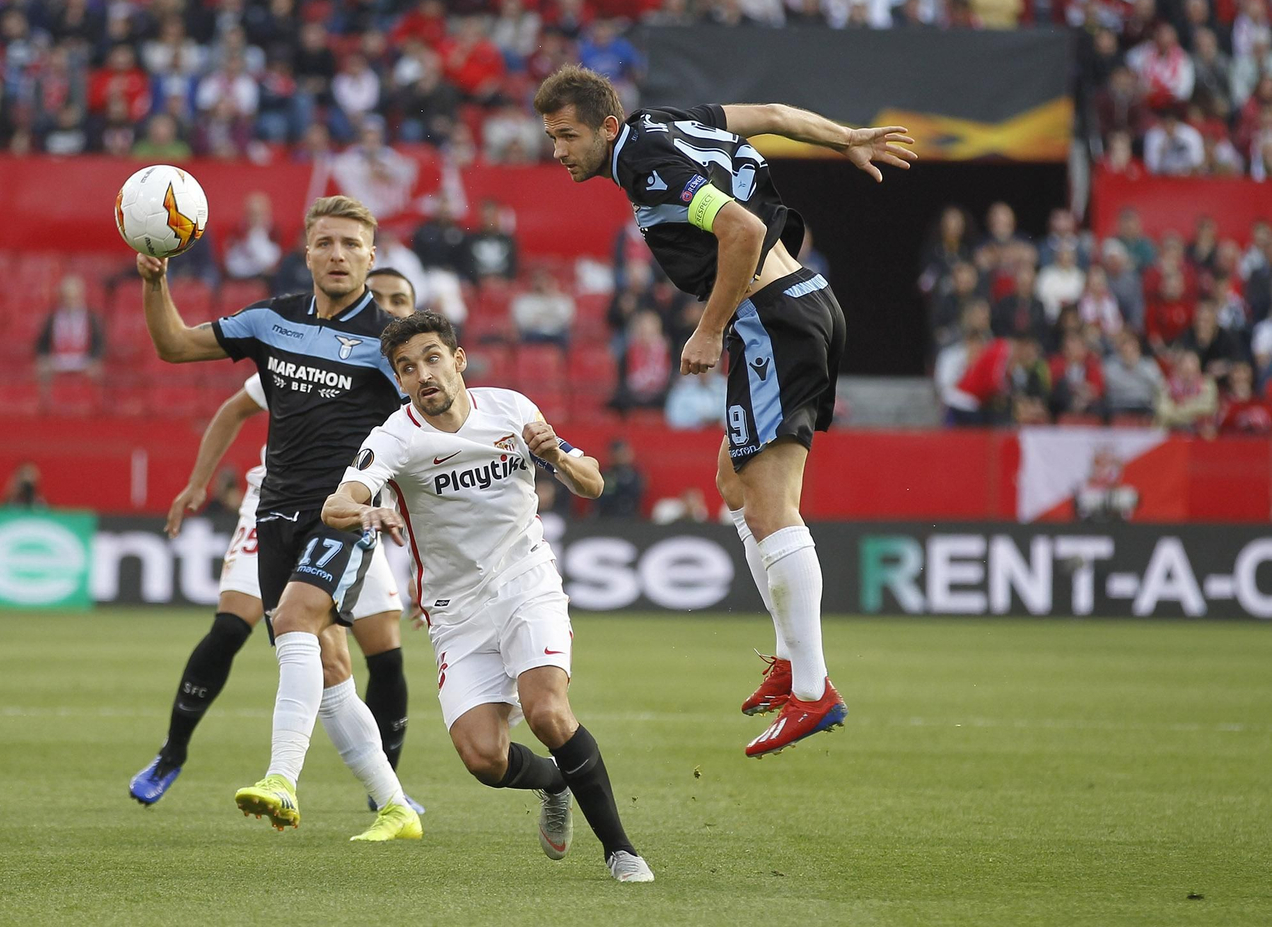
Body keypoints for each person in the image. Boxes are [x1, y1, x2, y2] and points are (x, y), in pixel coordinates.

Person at [534, 64, 914, 757]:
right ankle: (789, 663)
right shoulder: (671, 122)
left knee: (770, 507)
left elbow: (739, 230)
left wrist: (709, 327)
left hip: (770, 316)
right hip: (802, 301)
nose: (558, 150)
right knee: (734, 482)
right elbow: (770, 110)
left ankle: (812, 690)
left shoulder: (645, 160)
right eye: (552, 137)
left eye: (567, 136)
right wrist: (843, 138)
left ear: (607, 128)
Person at [321, 311, 653, 883]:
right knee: (484, 758)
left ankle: (621, 851)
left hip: (527, 580)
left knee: (548, 710)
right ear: (399, 381)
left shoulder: (512, 409)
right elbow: (336, 505)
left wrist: (560, 459)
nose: (422, 374)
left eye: (431, 358)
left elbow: (593, 481)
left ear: (458, 360)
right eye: (406, 367)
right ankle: (553, 781)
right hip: (455, 611)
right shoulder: (395, 439)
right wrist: (369, 509)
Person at [133, 195, 421, 841]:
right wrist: (156, 283)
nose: (339, 253)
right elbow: (175, 345)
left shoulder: (393, 340)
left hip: (344, 512)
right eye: (327, 242)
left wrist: (398, 503)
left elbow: (433, 420)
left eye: (352, 243)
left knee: (294, 621)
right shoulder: (272, 319)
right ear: (308, 251)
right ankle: (396, 805)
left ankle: (280, 778)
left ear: (371, 256)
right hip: (276, 513)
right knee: (328, 666)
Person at [34, 276, 104, 394]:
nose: (70, 302)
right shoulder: (52, 318)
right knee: (42, 371)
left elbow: (99, 342)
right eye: (67, 298)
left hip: (85, 360)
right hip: (57, 360)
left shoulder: (92, 318)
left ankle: (91, 402)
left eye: (73, 298)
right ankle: (46, 405)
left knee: (96, 373)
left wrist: (95, 359)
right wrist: (43, 358)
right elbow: (42, 342)